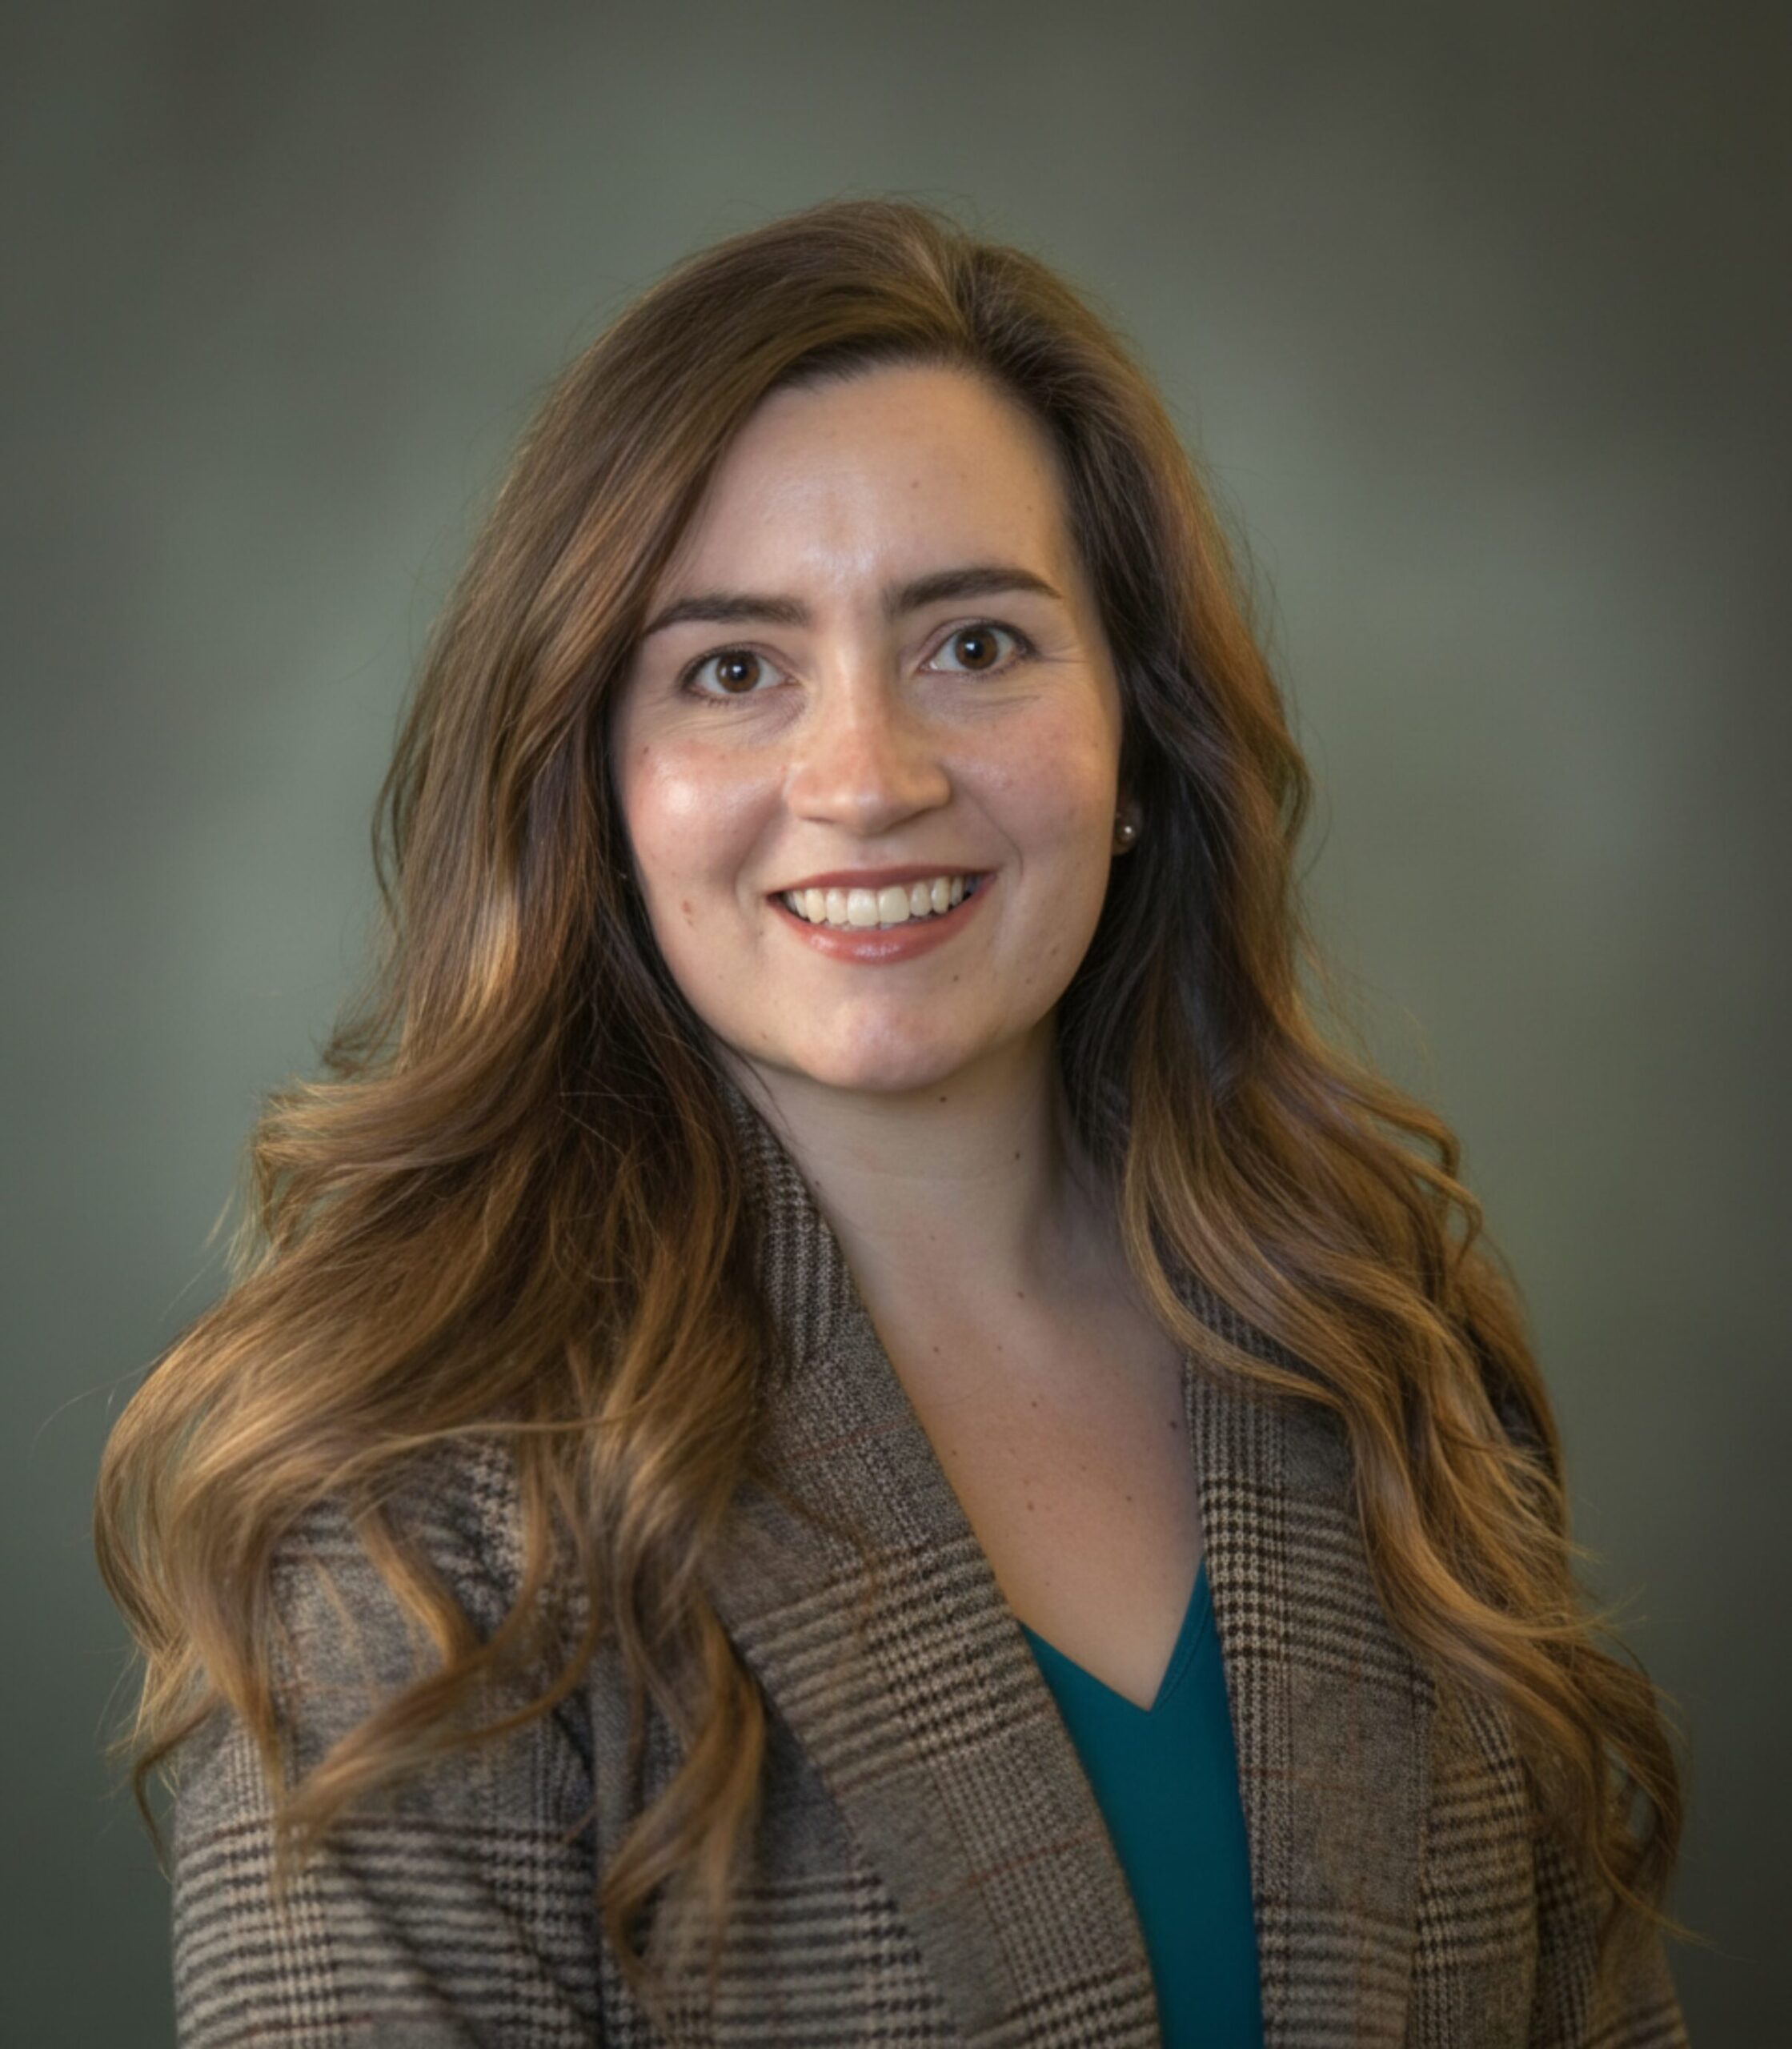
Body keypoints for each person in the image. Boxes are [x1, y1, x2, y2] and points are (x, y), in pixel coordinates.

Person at [94, 197, 1690, 2047]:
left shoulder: (1377, 1348)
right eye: (731, 669)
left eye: (977, 644)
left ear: (1139, 745)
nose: (866, 777)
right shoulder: (406, 1506)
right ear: (594, 783)